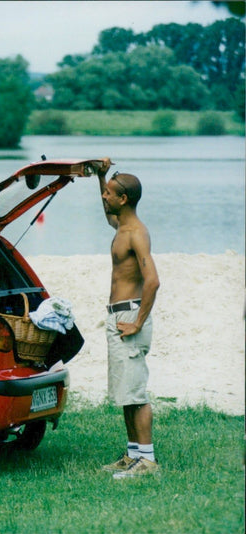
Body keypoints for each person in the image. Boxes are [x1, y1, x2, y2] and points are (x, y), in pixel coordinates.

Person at [97, 158, 161, 479]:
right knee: (126, 391)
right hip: (117, 315)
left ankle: (147, 461)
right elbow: (106, 212)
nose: (104, 197)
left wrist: (137, 322)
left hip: (130, 316)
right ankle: (133, 454)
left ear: (124, 199)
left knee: (136, 392)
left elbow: (153, 281)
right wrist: (101, 175)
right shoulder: (121, 225)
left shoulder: (136, 233)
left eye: (109, 193)